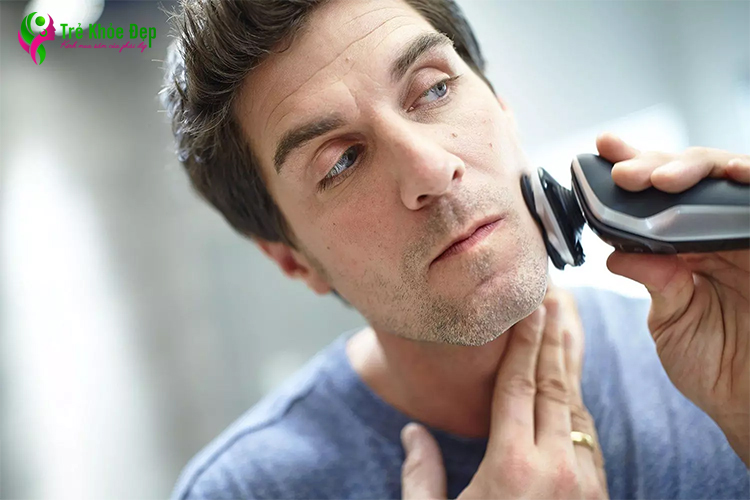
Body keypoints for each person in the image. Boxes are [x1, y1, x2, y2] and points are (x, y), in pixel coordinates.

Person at [161, 0, 750, 498]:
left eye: (435, 89)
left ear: (502, 105)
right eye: (341, 162)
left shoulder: (722, 356)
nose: (432, 170)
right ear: (293, 259)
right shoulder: (240, 490)